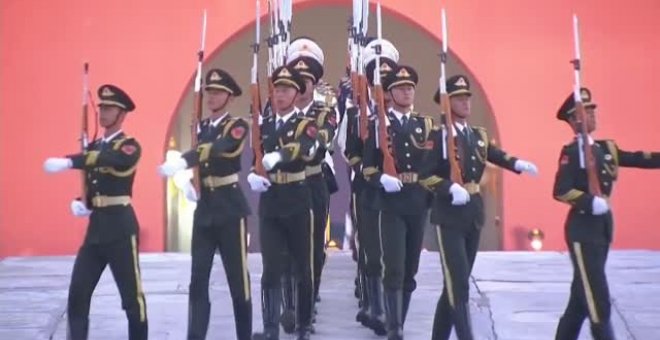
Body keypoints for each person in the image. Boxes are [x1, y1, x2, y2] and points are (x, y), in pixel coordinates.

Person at [422, 75, 538, 340]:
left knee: (454, 284)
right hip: (448, 214)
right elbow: (425, 175)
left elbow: (495, 155)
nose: (466, 103)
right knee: (459, 283)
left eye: (467, 98)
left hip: (472, 213)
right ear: (447, 103)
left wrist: (517, 164)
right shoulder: (438, 137)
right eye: (459, 99)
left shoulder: (478, 135)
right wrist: (449, 187)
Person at [553, 88, 660, 340]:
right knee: (598, 300)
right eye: (586, 112)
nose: (593, 115)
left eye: (593, 111)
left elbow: (639, 158)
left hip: (602, 228)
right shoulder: (571, 153)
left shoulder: (606, 148)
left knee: (580, 298)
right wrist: (589, 202)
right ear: (574, 120)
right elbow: (560, 191)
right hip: (582, 230)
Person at [43, 84, 148, 340]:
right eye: (101, 107)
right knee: (77, 294)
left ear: (122, 114)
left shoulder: (129, 146)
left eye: (110, 108)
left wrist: (70, 161)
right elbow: (94, 182)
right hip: (96, 229)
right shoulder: (95, 146)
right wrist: (83, 201)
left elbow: (109, 161)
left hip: (121, 228)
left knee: (131, 299)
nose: (103, 112)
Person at [158, 69, 252, 340]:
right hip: (205, 209)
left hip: (230, 208)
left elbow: (221, 148)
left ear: (230, 97)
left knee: (237, 280)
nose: (212, 97)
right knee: (198, 279)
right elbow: (201, 157)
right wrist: (189, 180)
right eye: (209, 92)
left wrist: (184, 160)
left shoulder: (236, 126)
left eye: (218, 92)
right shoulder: (200, 128)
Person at [362, 65, 434, 340]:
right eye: (401, 88)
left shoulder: (424, 125)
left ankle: (399, 320)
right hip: (391, 203)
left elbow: (434, 163)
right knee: (393, 265)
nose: (407, 91)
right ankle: (394, 327)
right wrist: (382, 179)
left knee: (410, 269)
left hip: (417, 200)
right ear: (390, 93)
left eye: (410, 87)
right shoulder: (378, 125)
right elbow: (368, 168)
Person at [249, 64, 319, 340]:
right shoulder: (262, 125)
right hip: (271, 200)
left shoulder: (306, 124)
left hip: (297, 198)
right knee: (271, 269)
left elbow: (303, 147)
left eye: (286, 90)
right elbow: (257, 155)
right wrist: (255, 175)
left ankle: (302, 326)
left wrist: (278, 156)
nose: (280, 95)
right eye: (277, 90)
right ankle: (269, 328)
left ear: (295, 94)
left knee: (302, 266)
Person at [341, 38, 399, 336]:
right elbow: (348, 150)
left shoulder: (403, 117)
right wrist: (364, 169)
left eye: (387, 79)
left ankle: (392, 313)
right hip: (366, 189)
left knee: (394, 255)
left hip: (396, 194)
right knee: (371, 251)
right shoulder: (356, 114)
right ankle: (375, 307)